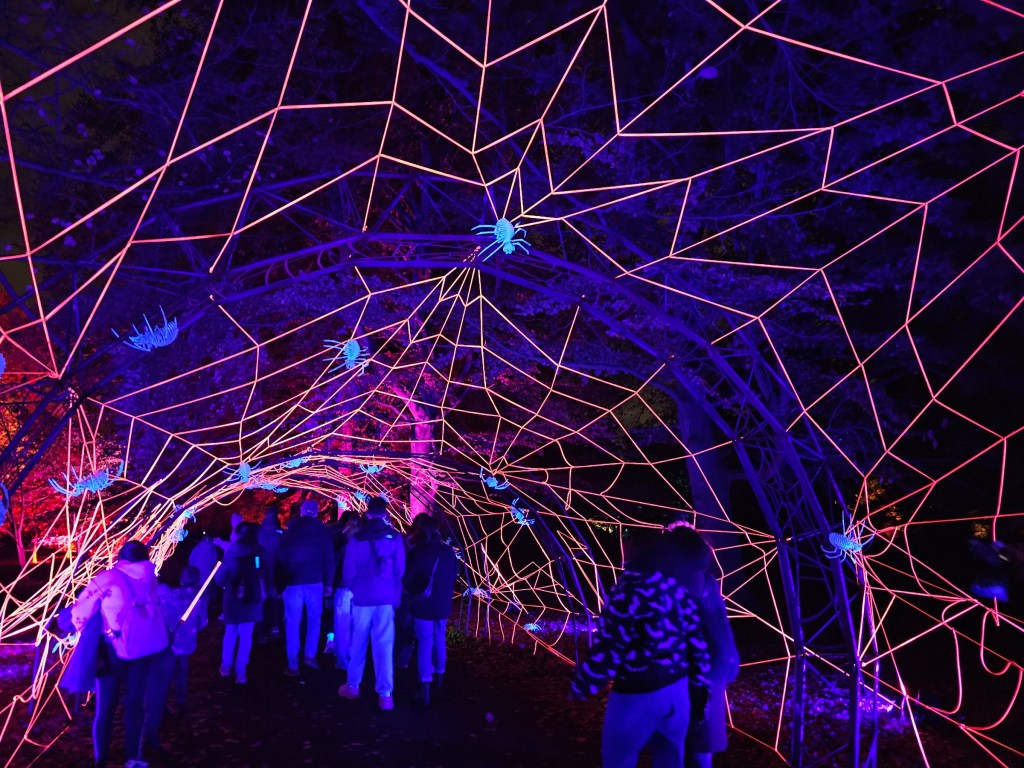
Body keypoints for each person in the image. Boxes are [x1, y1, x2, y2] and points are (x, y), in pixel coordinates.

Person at [570, 530, 711, 768]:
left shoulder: (627, 589)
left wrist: (584, 683)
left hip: (636, 693)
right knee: (670, 759)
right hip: (677, 691)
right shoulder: (676, 589)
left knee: (619, 759)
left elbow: (611, 645)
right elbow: (697, 642)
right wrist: (699, 690)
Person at [70, 540, 170, 768]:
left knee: (106, 707)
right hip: (145, 649)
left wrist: (77, 627)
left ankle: (101, 760)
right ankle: (133, 756)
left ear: (120, 557)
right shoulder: (151, 576)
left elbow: (81, 611)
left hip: (114, 649)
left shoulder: (107, 578)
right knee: (135, 704)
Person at [664, 523, 740, 768]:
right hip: (708, 669)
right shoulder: (706, 581)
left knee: (686, 741)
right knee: (697, 742)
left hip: (686, 671)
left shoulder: (672, 584)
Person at [338, 496, 405, 711]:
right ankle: (386, 694)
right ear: (386, 514)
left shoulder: (357, 539)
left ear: (367, 513)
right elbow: (400, 569)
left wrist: (354, 587)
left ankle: (353, 685)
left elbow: (349, 570)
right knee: (384, 644)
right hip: (385, 598)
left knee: (358, 641)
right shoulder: (394, 538)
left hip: (362, 598)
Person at [403, 514, 459, 706]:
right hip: (442, 603)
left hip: (423, 604)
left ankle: (425, 688)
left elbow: (407, 579)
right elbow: (454, 575)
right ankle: (439, 684)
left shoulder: (418, 552)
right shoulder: (449, 551)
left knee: (424, 643)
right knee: (439, 640)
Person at [278, 498, 334, 675]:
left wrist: (280, 582)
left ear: (301, 511)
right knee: (314, 621)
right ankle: (310, 656)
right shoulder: (323, 533)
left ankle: (293, 663)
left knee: (293, 622)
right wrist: (329, 583)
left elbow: (281, 558)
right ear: (316, 513)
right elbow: (329, 559)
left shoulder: (290, 532)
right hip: (315, 582)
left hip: (293, 582)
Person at [215, 522, 265, 684]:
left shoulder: (231, 554)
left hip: (233, 599)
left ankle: (226, 666)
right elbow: (262, 574)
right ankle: (241, 672)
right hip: (252, 599)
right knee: (246, 636)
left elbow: (220, 578)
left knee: (230, 633)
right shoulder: (258, 553)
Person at [330, 510, 361, 672]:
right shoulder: (364, 543)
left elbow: (334, 564)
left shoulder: (341, 542)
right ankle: (355, 657)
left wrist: (330, 584)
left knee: (342, 624)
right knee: (357, 625)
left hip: (343, 587)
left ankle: (342, 658)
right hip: (359, 588)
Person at [256, 505, 284, 642]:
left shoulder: (260, 532)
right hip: (275, 569)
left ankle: (261, 631)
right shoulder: (279, 533)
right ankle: (275, 626)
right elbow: (283, 553)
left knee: (262, 600)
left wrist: (257, 569)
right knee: (275, 600)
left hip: (262, 570)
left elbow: (256, 554)